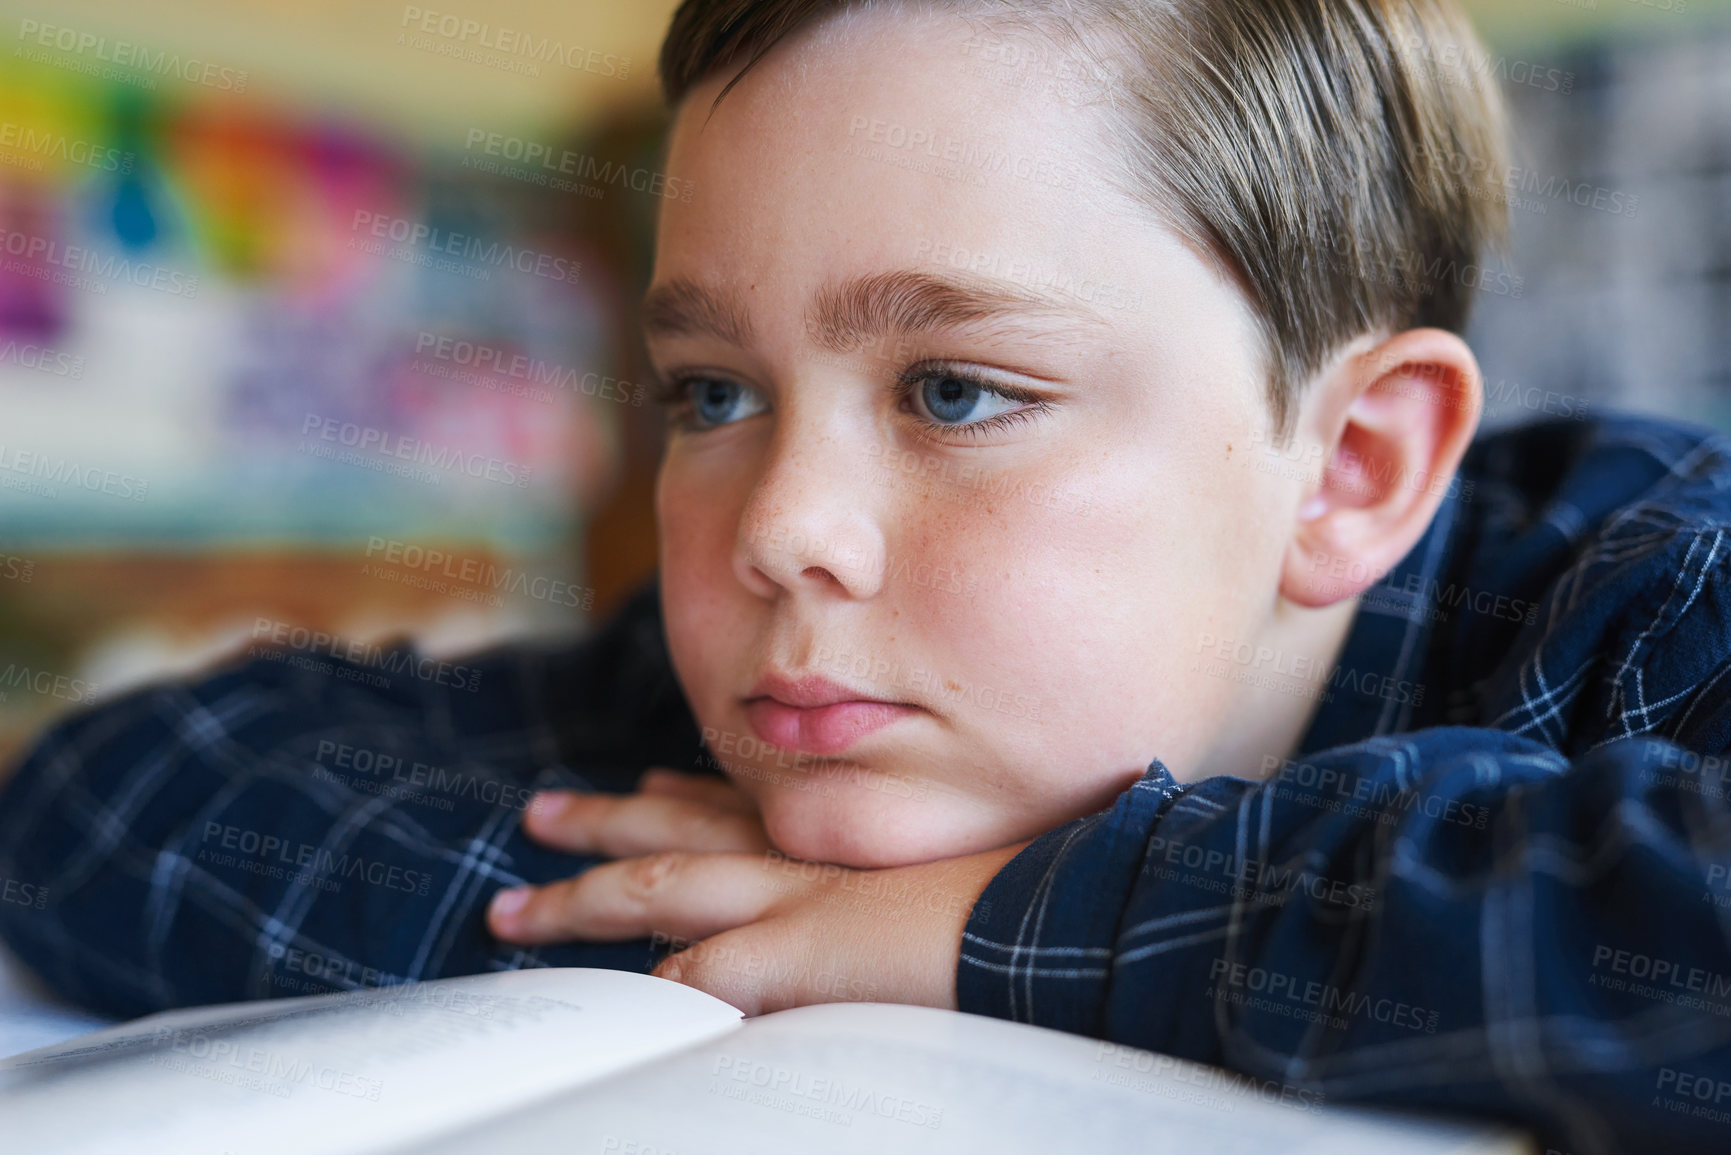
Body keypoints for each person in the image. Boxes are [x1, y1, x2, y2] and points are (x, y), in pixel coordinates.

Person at [4, 2, 1729, 1150]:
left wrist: (991, 922)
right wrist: (737, 935)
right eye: (714, 394)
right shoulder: (767, 693)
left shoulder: (1653, 587)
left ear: (1353, 469)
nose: (776, 526)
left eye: (957, 391)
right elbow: (92, 797)